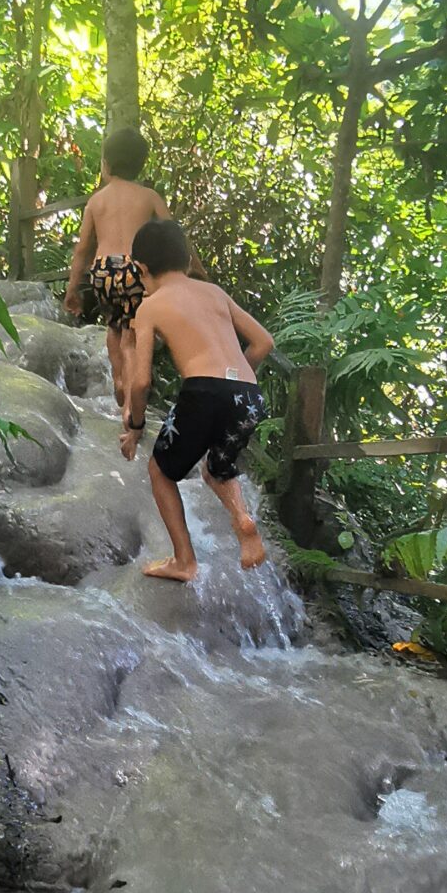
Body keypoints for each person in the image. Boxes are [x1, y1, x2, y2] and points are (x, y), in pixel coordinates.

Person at [121, 219, 273, 579]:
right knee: (217, 469)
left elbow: (141, 381)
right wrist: (234, 384)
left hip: (204, 392)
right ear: (188, 259)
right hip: (249, 396)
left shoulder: (150, 307)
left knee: (160, 470)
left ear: (141, 268)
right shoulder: (215, 293)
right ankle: (242, 520)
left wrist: (136, 427)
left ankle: (185, 561)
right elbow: (264, 342)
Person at [62, 128, 172, 413]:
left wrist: (72, 288)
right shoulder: (149, 197)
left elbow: (82, 249)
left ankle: (120, 382)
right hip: (137, 270)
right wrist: (196, 272)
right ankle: (136, 391)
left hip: (103, 271)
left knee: (114, 326)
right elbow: (175, 237)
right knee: (133, 334)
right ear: (141, 164)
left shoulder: (96, 201)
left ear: (106, 164)